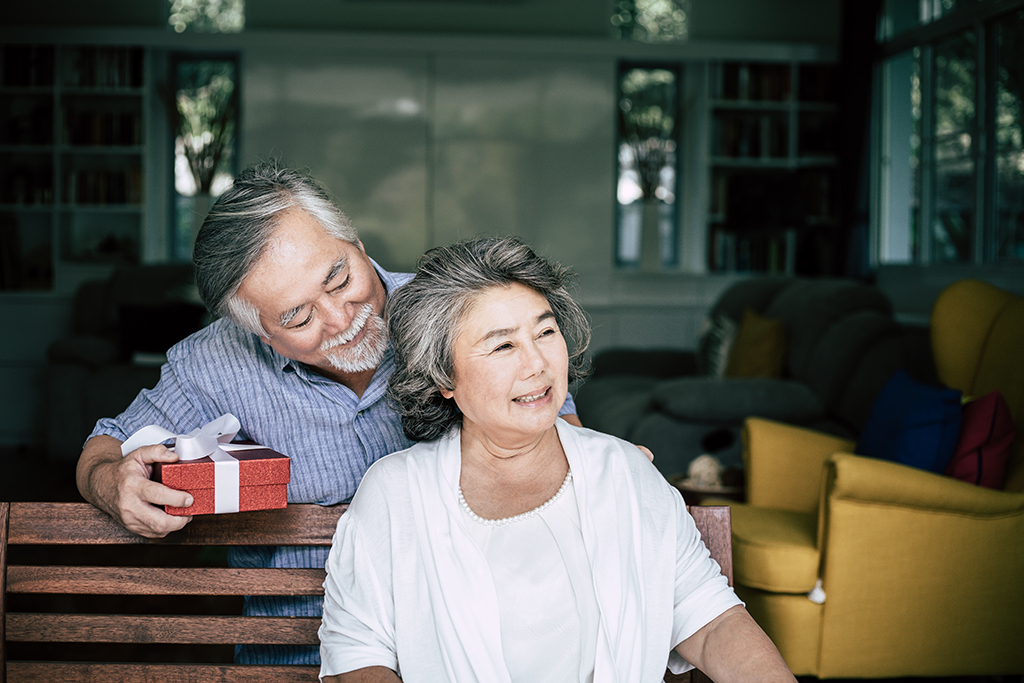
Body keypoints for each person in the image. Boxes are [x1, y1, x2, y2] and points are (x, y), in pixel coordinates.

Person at [74, 162, 581, 665]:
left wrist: (603, 471)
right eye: (298, 316)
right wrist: (112, 482)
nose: (342, 319)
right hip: (296, 656)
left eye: (338, 278)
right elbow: (108, 444)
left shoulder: (463, 313)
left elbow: (565, 446)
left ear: (356, 244)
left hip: (465, 654)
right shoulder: (214, 363)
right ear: (260, 334)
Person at [318, 237, 797, 682]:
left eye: (545, 332)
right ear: (444, 378)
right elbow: (358, 655)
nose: (537, 364)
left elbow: (713, 623)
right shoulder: (396, 492)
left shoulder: (625, 474)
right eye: (503, 345)